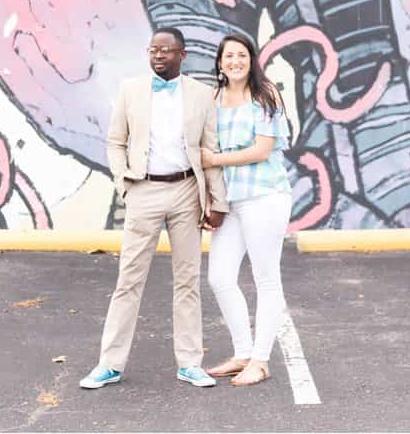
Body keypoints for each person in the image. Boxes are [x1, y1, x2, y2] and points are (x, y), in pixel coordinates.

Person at [80, 28, 227, 390]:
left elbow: (210, 152)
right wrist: (124, 184)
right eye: (153, 50)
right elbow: (116, 141)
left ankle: (190, 363)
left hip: (186, 191)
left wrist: (217, 201)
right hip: (143, 190)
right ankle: (110, 364)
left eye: (166, 50)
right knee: (128, 279)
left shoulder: (201, 94)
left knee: (187, 281)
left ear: (183, 54)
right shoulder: (131, 89)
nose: (159, 55)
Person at [200, 33, 292, 386]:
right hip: (230, 201)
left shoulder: (266, 95)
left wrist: (216, 159)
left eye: (241, 55)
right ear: (220, 62)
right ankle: (242, 353)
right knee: (219, 277)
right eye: (228, 56)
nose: (235, 61)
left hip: (264, 196)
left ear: (251, 59)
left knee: (266, 278)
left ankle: (261, 359)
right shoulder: (214, 97)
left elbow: (261, 149)